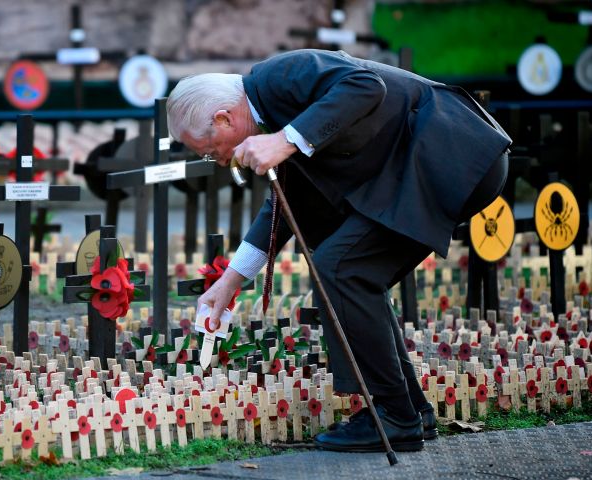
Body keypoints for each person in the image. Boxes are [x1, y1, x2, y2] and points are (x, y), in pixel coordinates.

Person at [167, 49, 511, 453]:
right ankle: (409, 411)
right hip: (431, 164)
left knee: (343, 269)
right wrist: (230, 281)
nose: (215, 160)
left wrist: (285, 139)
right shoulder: (271, 123)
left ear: (224, 118)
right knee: (353, 272)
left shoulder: (279, 76)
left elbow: (365, 85)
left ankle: (394, 416)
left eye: (208, 148)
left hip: (452, 154)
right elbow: (285, 204)